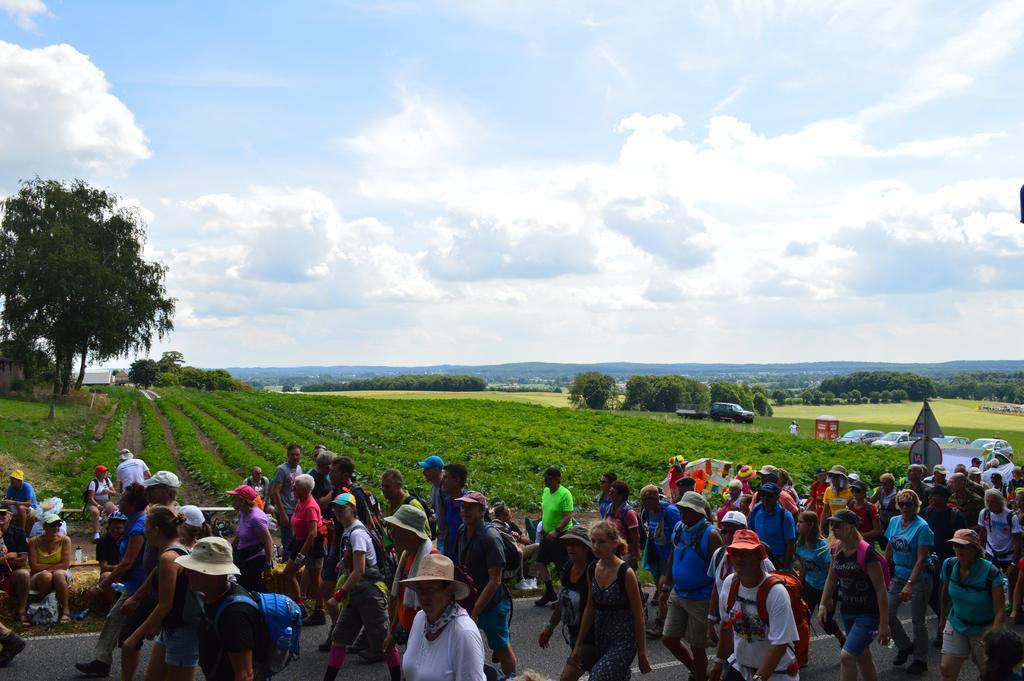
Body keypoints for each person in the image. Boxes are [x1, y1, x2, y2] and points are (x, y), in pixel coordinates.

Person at [324, 492, 401, 681]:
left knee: (386, 641)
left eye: (342, 508)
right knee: (339, 638)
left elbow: (359, 570)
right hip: (357, 593)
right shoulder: (350, 531)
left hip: (369, 594)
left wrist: (338, 596)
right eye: (336, 509)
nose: (338, 512)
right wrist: (343, 562)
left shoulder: (357, 533)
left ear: (353, 509)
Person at [75, 482, 149, 679]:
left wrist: (99, 588)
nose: (118, 502)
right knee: (114, 619)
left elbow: (126, 564)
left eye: (123, 500)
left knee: (132, 635)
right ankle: (102, 662)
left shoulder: (138, 527)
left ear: (132, 505)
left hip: (141, 586)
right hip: (134, 584)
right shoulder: (133, 520)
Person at [709, 528, 800, 681]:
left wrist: (758, 678)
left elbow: (779, 645)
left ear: (759, 556)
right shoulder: (729, 584)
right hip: (741, 667)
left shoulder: (776, 592)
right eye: (735, 553)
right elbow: (726, 626)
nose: (739, 559)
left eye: (746, 553)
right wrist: (718, 661)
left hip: (777, 673)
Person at [123, 506, 198, 681]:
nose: (144, 531)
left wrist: (135, 636)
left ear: (156, 530)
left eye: (146, 526)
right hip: (170, 628)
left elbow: (165, 605)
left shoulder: (168, 557)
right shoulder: (173, 549)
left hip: (182, 632)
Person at [176, 537, 262, 681]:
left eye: (194, 569)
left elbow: (245, 674)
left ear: (213, 574)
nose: (187, 573)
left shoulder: (235, 614)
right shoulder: (214, 597)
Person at [571, 522, 651, 679]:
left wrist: (642, 654)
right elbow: (590, 607)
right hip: (602, 635)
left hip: (624, 639)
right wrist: (578, 644)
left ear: (614, 544)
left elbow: (638, 615)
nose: (595, 546)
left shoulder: (625, 573)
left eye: (601, 542)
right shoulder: (592, 569)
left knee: (597, 677)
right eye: (593, 541)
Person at [819, 509, 891, 681]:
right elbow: (831, 578)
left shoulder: (867, 554)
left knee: (847, 656)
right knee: (861, 655)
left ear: (850, 528)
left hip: (868, 614)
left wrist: (884, 624)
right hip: (848, 611)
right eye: (831, 525)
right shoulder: (837, 550)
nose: (833, 529)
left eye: (838, 525)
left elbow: (881, 590)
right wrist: (823, 603)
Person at [456, 491, 518, 676]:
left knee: (501, 648)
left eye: (470, 507)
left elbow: (495, 580)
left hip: (492, 604)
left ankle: (513, 679)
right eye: (463, 507)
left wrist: (475, 611)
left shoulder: (490, 538)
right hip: (470, 600)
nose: (465, 511)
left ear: (482, 511)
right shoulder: (462, 531)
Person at [399, 553, 484, 681]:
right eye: (420, 589)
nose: (424, 596)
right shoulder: (420, 618)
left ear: (449, 591)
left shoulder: (464, 633)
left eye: (431, 589)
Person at [662, 491, 719, 681]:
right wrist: (666, 582)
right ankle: (696, 670)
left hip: (701, 597)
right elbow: (673, 554)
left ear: (699, 513)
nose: (682, 513)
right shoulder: (679, 527)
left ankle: (700, 676)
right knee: (669, 638)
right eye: (681, 509)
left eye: (687, 510)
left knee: (698, 646)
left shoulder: (711, 534)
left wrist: (716, 607)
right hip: (678, 593)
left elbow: (719, 572)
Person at [938, 528, 1005, 681]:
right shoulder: (949, 565)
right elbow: (945, 593)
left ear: (975, 548)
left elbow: (1000, 610)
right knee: (946, 669)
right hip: (956, 622)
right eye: (955, 546)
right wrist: (942, 620)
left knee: (988, 673)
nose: (958, 550)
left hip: (983, 629)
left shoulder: (991, 573)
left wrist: (993, 638)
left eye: (963, 546)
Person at [885, 489, 934, 675]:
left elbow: (922, 559)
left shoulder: (922, 527)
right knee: (888, 613)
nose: (905, 507)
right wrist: (883, 571)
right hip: (899, 574)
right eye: (902, 504)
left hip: (919, 578)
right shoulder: (894, 521)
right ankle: (905, 645)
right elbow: (889, 547)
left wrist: (910, 584)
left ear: (916, 506)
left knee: (917, 621)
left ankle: (921, 659)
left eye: (909, 504)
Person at [539, 525, 597, 681]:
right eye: (568, 543)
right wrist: (550, 627)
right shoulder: (568, 567)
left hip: (593, 638)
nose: (570, 547)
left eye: (575, 543)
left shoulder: (594, 570)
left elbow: (591, 608)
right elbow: (562, 601)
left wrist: (579, 644)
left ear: (586, 547)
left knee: (566, 678)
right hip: (575, 634)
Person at [383, 504, 433, 656]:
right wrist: (393, 629)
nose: (391, 533)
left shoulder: (432, 560)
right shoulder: (407, 556)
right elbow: (401, 597)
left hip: (425, 636)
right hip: (410, 631)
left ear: (410, 533)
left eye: (396, 528)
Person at [921, 484, 967, 642]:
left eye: (933, 495)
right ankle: (945, 619)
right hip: (929, 560)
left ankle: (944, 630)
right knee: (931, 595)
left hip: (949, 561)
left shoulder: (956, 516)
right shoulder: (926, 512)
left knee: (945, 593)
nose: (930, 498)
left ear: (942, 498)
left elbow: (963, 540)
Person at [639, 484, 679, 637]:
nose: (645, 504)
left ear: (655, 498)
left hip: (670, 556)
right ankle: (669, 620)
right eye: (643, 501)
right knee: (662, 589)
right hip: (657, 555)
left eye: (647, 500)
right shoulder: (648, 511)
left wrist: (668, 567)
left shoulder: (669, 512)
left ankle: (662, 624)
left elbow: (678, 536)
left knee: (664, 589)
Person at [282, 473, 324, 613]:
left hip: (311, 545)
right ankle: (299, 604)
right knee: (288, 573)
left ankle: (320, 609)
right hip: (300, 541)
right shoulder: (301, 501)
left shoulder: (310, 507)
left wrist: (301, 555)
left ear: (305, 490)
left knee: (315, 579)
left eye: (296, 487)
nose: (292, 488)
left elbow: (313, 534)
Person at [534, 467, 574, 608]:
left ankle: (566, 596)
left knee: (562, 566)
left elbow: (568, 516)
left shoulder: (565, 494)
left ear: (557, 479)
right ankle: (550, 591)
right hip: (547, 534)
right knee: (540, 562)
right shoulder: (546, 492)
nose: (545, 481)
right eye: (545, 478)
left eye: (548, 478)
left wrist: (556, 531)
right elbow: (545, 511)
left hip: (560, 535)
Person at [27, 512, 72, 624]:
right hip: (40, 574)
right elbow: (34, 567)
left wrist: (47, 569)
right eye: (53, 525)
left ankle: (66, 610)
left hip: (58, 572)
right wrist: (53, 568)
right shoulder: (34, 541)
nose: (56, 527)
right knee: (45, 576)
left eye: (58, 524)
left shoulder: (65, 540)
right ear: (44, 526)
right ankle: (48, 608)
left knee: (59, 575)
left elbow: (65, 565)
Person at [227, 485, 273, 593]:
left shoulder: (256, 518)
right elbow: (239, 536)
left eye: (234, 498)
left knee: (252, 589)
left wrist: (268, 565)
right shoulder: (242, 513)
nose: (232, 501)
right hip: (244, 557)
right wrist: (228, 550)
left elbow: (268, 541)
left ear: (242, 501)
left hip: (255, 560)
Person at [748, 482, 796, 568]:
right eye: (763, 495)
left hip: (777, 559)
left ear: (777, 497)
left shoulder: (785, 516)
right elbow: (751, 530)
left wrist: (785, 567)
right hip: (758, 556)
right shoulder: (757, 509)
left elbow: (790, 544)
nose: (765, 498)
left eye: (769, 495)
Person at [269, 443, 303, 560]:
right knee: (288, 540)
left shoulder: (299, 468)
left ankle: (290, 564)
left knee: (295, 537)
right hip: (285, 510)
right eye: (293, 455)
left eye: (297, 455)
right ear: (288, 455)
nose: (295, 457)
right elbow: (275, 492)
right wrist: (282, 513)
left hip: (295, 509)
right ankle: (286, 566)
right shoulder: (281, 470)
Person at [381, 468, 429, 547]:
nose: (384, 490)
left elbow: (426, 534)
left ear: (399, 485)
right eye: (382, 486)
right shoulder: (387, 504)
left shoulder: (412, 505)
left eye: (387, 486)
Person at [0, 507, 31, 627]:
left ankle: (21, 611)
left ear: (10, 516)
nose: (0, 517)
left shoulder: (19, 533)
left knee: (24, 574)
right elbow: (16, 558)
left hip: (9, 573)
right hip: (6, 568)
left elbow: (22, 561)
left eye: (3, 514)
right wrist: (7, 558)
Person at [978, 488, 1021, 573]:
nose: (989, 504)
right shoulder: (984, 513)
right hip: (991, 553)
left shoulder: (1011, 517)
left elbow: (1018, 542)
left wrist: (1013, 563)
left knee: (1011, 581)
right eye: (987, 501)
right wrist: (981, 552)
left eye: (992, 502)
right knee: (990, 581)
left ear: (1000, 501)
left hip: (1008, 556)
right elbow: (982, 533)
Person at [92, 511, 128, 612]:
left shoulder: (128, 540)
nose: (116, 530)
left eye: (119, 528)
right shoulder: (103, 542)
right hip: (113, 572)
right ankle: (112, 605)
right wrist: (120, 567)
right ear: (109, 527)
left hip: (125, 570)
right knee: (106, 576)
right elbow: (104, 566)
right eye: (113, 528)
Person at [602, 480, 641, 567]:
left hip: (626, 552)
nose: (609, 494)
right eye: (610, 491)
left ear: (620, 495)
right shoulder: (609, 508)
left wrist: (634, 557)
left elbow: (635, 537)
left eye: (612, 492)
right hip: (611, 550)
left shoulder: (629, 513)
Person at [416, 454, 446, 545]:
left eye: (427, 469)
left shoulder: (445, 490)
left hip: (448, 538)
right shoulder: (433, 487)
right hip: (441, 536)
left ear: (436, 471)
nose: (423, 472)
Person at [441, 463, 468, 562]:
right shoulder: (448, 501)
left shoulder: (468, 505)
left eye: (445, 477)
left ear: (457, 480)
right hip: (451, 559)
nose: (442, 481)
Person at [86, 465, 118, 542]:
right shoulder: (93, 483)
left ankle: (112, 530)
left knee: (114, 510)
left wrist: (108, 491)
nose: (105, 473)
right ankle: (96, 533)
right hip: (94, 502)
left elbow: (114, 493)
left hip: (106, 501)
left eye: (105, 472)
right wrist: (98, 505)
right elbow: (90, 498)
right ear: (97, 474)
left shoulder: (107, 481)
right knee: (95, 512)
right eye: (102, 472)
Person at [820, 465, 854, 534]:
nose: (833, 479)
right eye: (831, 476)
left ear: (842, 478)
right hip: (833, 525)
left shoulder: (852, 491)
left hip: (847, 526)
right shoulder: (828, 490)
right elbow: (825, 511)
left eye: (836, 477)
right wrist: (821, 527)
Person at [869, 473, 899, 549]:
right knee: (882, 540)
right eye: (881, 483)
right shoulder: (880, 492)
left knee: (892, 540)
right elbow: (870, 502)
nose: (882, 485)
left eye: (884, 483)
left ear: (891, 483)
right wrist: (876, 494)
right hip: (882, 519)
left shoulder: (898, 493)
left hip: (894, 519)